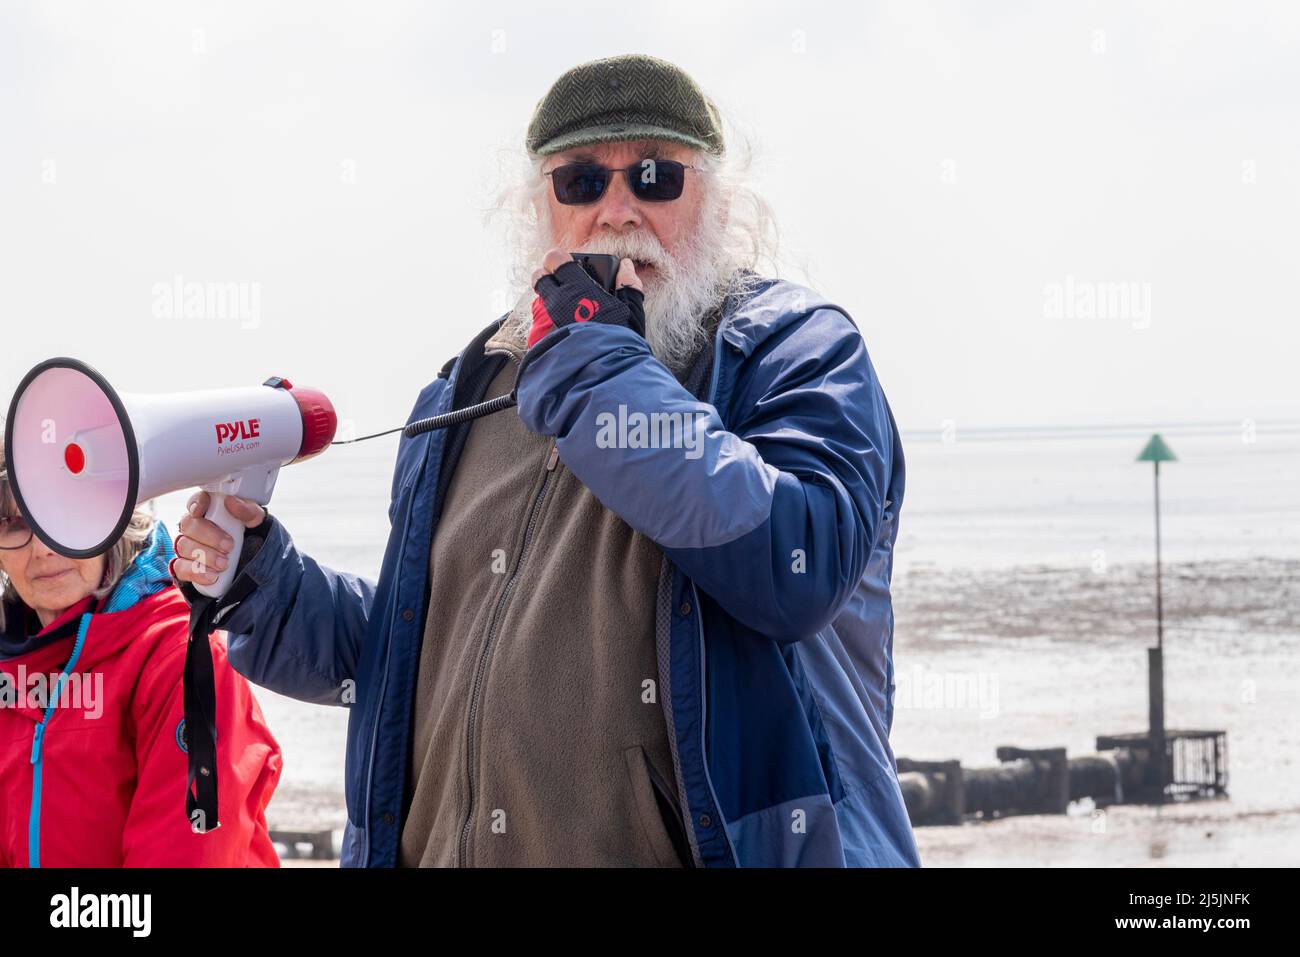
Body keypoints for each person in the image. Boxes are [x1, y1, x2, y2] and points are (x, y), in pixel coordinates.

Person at [172, 53, 920, 867]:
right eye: (582, 183)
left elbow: (795, 561)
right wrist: (261, 581)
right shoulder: (470, 388)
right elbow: (407, 654)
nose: (618, 210)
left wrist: (595, 362)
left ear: (715, 201)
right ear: (540, 210)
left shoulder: (795, 349)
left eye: (655, 176)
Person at [0, 436, 282, 867]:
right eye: (14, 523)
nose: (42, 548)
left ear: (115, 518)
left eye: (61, 514)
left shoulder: (180, 653)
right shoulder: (10, 666)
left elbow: (186, 855)